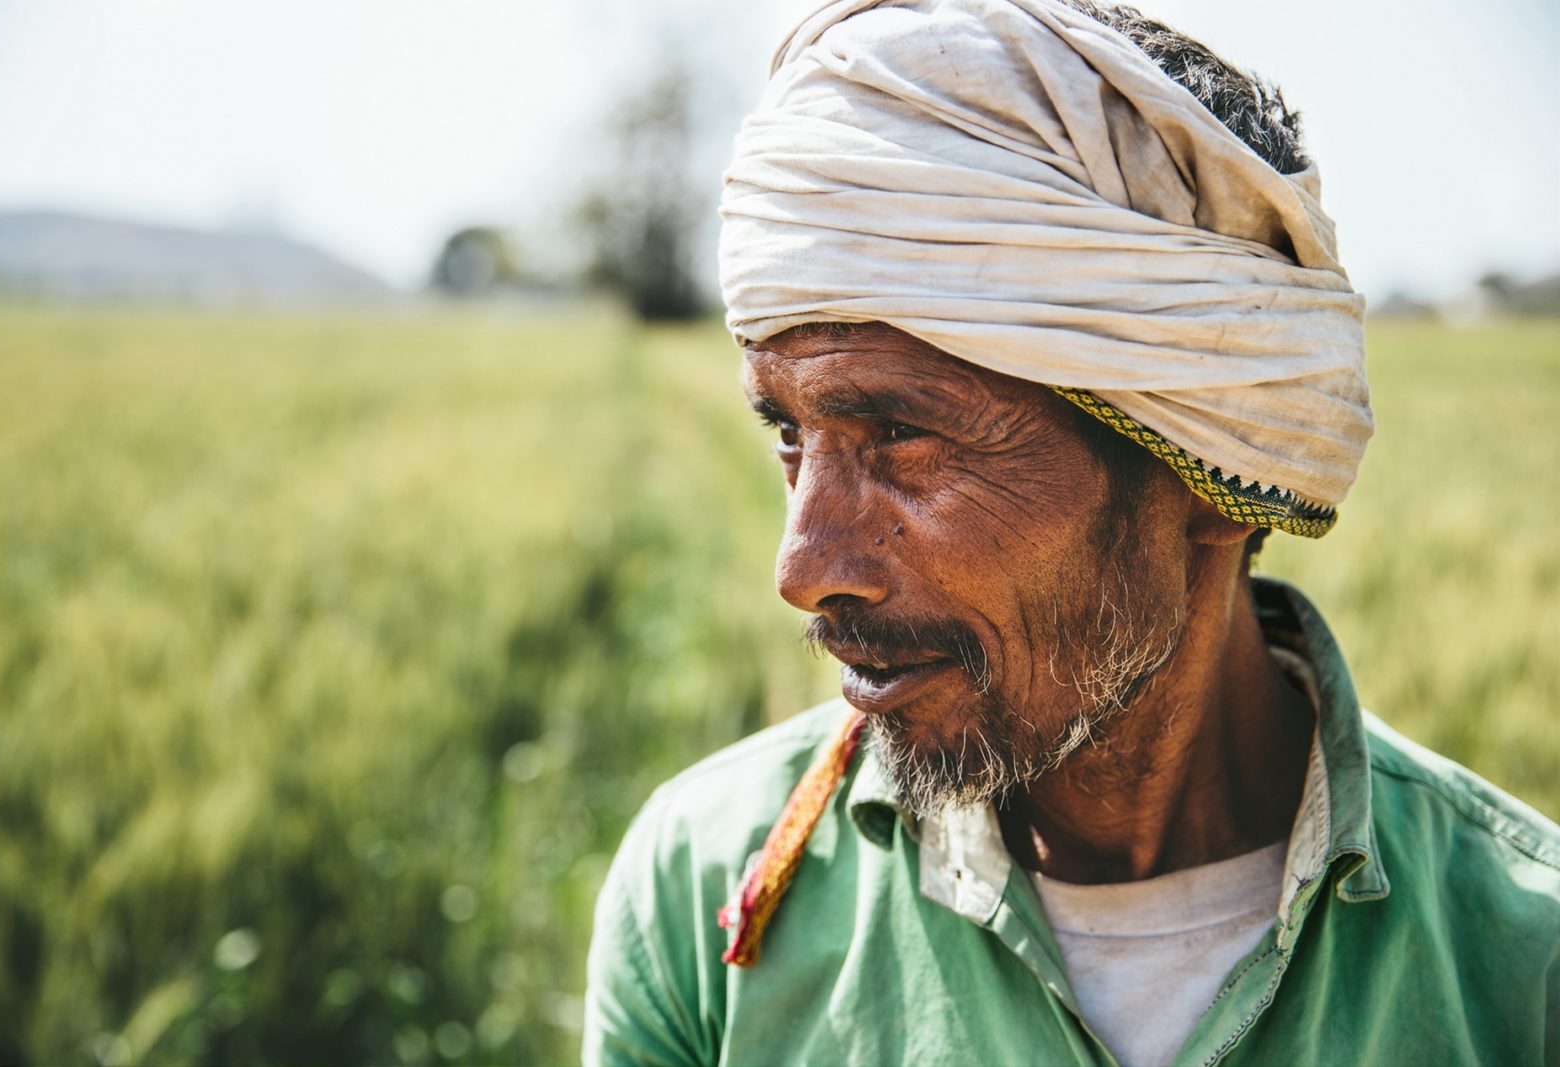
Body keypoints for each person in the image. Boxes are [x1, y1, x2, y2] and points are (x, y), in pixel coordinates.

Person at [583, 1, 1560, 1063]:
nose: (803, 567)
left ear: (1208, 471)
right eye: (786, 429)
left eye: (903, 433)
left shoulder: (1522, 965)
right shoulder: (703, 894)